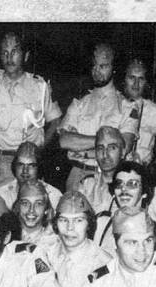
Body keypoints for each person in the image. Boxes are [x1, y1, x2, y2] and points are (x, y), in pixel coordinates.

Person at [0, 32, 62, 189]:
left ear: (26, 56)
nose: (9, 57)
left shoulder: (40, 87)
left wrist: (39, 147)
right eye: (5, 53)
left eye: (15, 52)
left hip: (29, 165)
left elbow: (55, 121)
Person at [59, 44, 136, 193]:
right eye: (94, 66)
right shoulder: (79, 104)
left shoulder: (127, 106)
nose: (97, 71)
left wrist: (84, 151)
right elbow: (64, 141)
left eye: (103, 66)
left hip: (111, 177)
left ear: (113, 68)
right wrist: (108, 142)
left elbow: (124, 147)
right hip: (78, 175)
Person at [46, 191, 112, 287]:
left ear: (89, 224)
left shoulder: (103, 263)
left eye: (78, 220)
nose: (70, 228)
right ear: (56, 223)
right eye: (64, 220)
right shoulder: (46, 255)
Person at [93, 160, 156, 255]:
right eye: (119, 184)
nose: (124, 189)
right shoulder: (101, 223)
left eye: (132, 184)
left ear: (144, 192)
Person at [121, 59, 156, 167]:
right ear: (124, 79)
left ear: (146, 82)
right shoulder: (114, 105)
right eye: (132, 77)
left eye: (141, 79)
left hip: (143, 168)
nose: (136, 84)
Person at [0, 141, 62, 210]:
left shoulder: (53, 195)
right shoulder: (0, 196)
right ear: (14, 167)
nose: (25, 170)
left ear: (39, 168)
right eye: (20, 165)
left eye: (31, 165)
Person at [76, 125, 125, 213]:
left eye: (112, 147)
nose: (105, 154)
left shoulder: (128, 187)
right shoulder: (87, 185)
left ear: (123, 152)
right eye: (100, 148)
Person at [14, 180, 59, 252]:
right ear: (18, 206)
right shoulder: (7, 238)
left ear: (46, 208)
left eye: (38, 204)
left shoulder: (55, 242)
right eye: (25, 203)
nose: (31, 210)